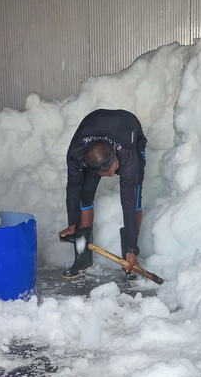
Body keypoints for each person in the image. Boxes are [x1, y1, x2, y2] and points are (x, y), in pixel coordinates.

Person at [59, 109, 147, 279]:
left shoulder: (128, 159)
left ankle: (130, 258)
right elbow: (73, 188)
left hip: (127, 126)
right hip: (94, 124)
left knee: (134, 198)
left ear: (114, 151)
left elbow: (128, 204)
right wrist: (71, 224)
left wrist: (132, 249)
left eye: (113, 170)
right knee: (84, 194)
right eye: (105, 174)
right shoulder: (76, 155)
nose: (112, 175)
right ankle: (83, 259)